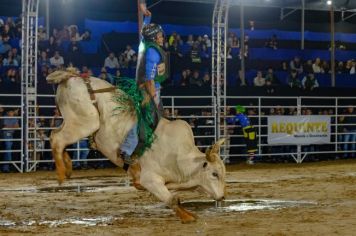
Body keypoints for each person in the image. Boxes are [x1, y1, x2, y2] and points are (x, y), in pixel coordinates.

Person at [118, 0, 168, 186]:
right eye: (161, 35)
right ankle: (128, 150)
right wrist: (154, 97)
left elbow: (143, 32)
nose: (163, 37)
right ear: (155, 38)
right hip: (148, 89)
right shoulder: (153, 53)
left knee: (151, 120)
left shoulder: (143, 44)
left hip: (140, 86)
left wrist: (147, 17)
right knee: (147, 119)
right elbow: (149, 78)